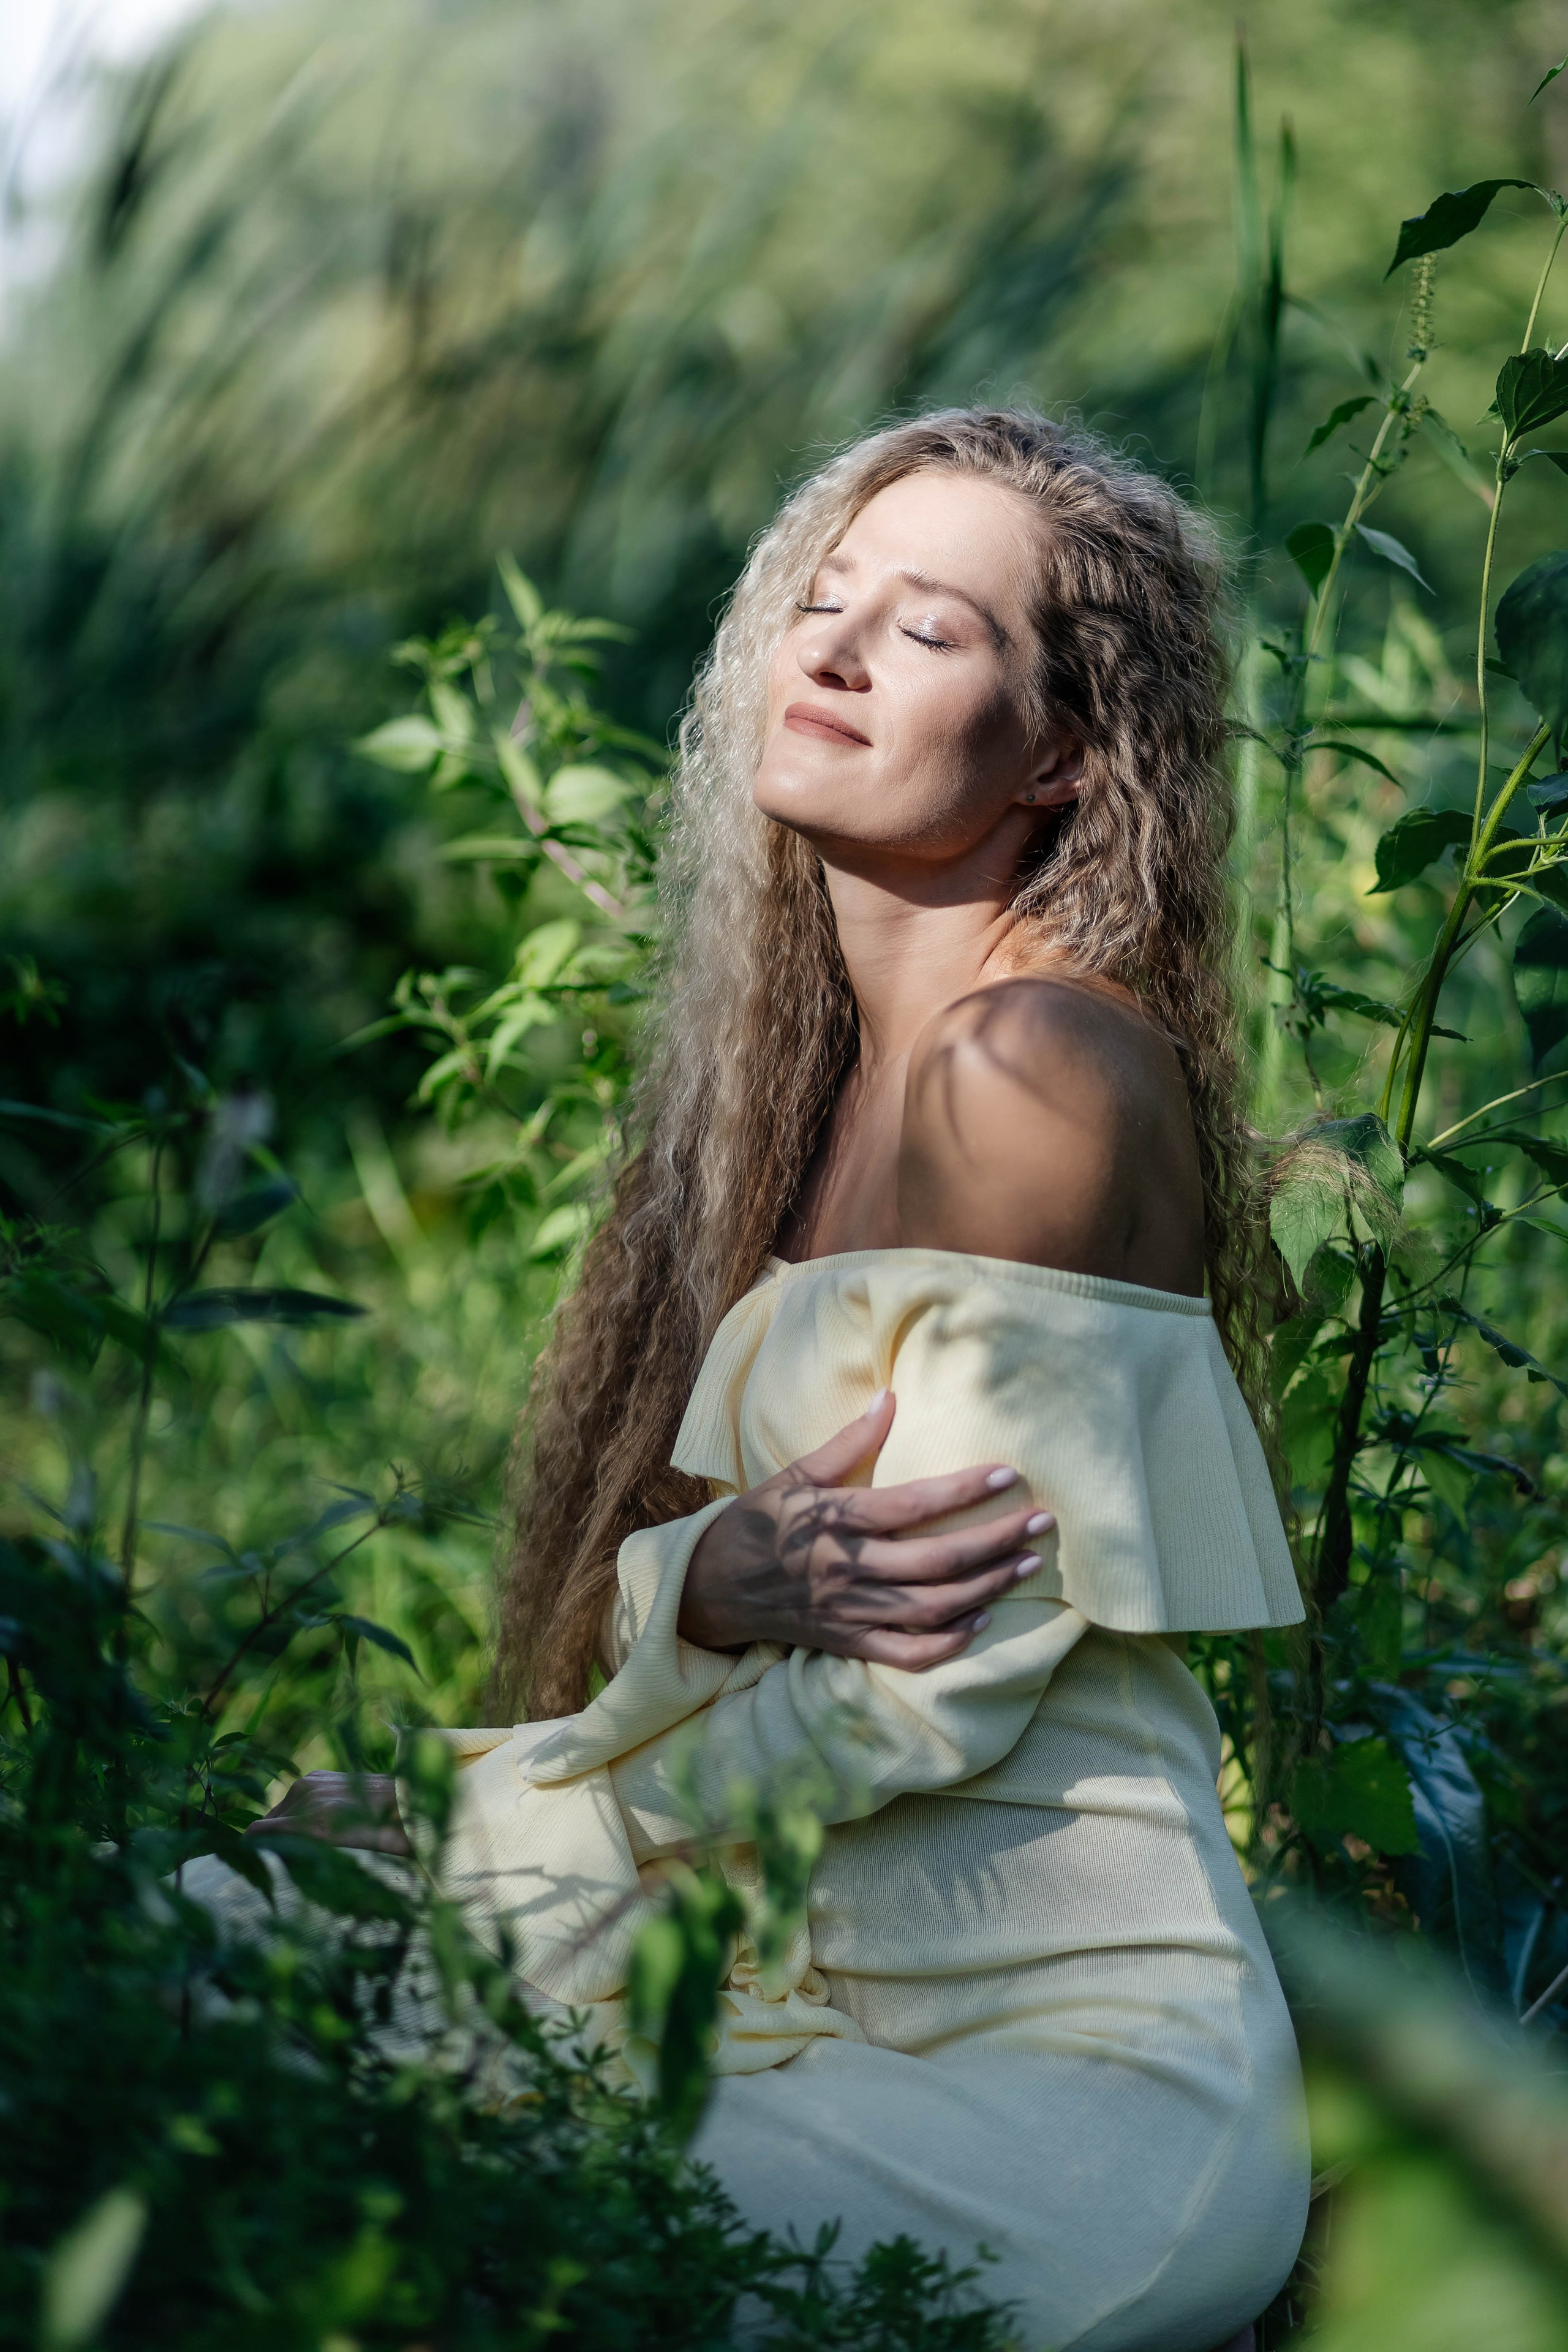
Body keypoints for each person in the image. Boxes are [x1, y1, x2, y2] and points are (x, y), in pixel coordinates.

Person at [265, 409, 1309, 2351]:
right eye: (821, 602)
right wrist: (698, 1587)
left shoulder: (1033, 1078)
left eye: (924, 631)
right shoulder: (821, 1097)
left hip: (1051, 2095)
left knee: (298, 2095)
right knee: (219, 1943)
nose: (822, 651)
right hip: (800, 1986)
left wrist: (497, 1820)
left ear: (1070, 750)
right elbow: (759, 1599)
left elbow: (909, 1711)